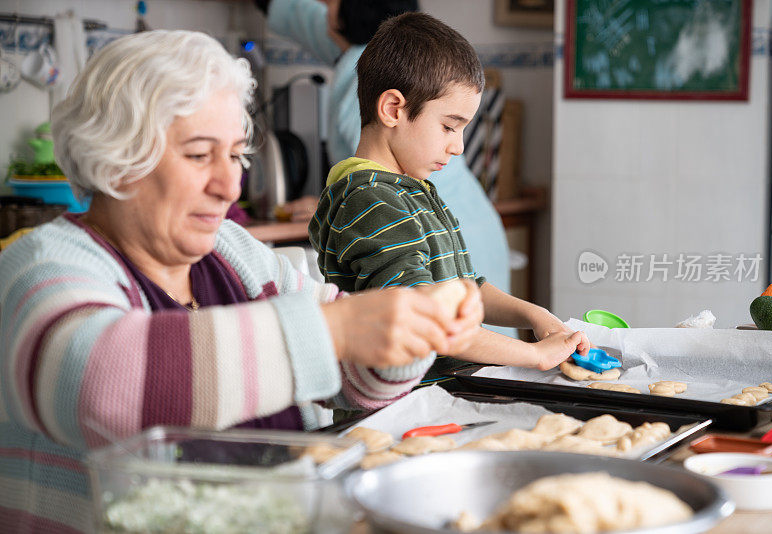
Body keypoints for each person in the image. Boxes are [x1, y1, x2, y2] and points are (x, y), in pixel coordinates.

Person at [0, 30, 483, 533]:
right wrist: (334, 329)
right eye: (198, 155)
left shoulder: (235, 254)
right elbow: (100, 382)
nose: (229, 185)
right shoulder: (40, 267)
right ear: (119, 159)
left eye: (234, 156)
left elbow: (356, 379)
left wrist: (415, 329)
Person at [309, 13, 591, 378]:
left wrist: (534, 315)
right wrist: (534, 354)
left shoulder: (413, 190)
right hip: (404, 411)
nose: (457, 147)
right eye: (448, 127)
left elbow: (464, 289)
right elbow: (431, 325)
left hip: (444, 395)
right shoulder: (371, 201)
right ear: (393, 109)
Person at [257, 0, 514, 336]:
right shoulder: (379, 59)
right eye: (450, 128)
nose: (322, 6)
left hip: (437, 239)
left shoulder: (363, 72)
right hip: (476, 226)